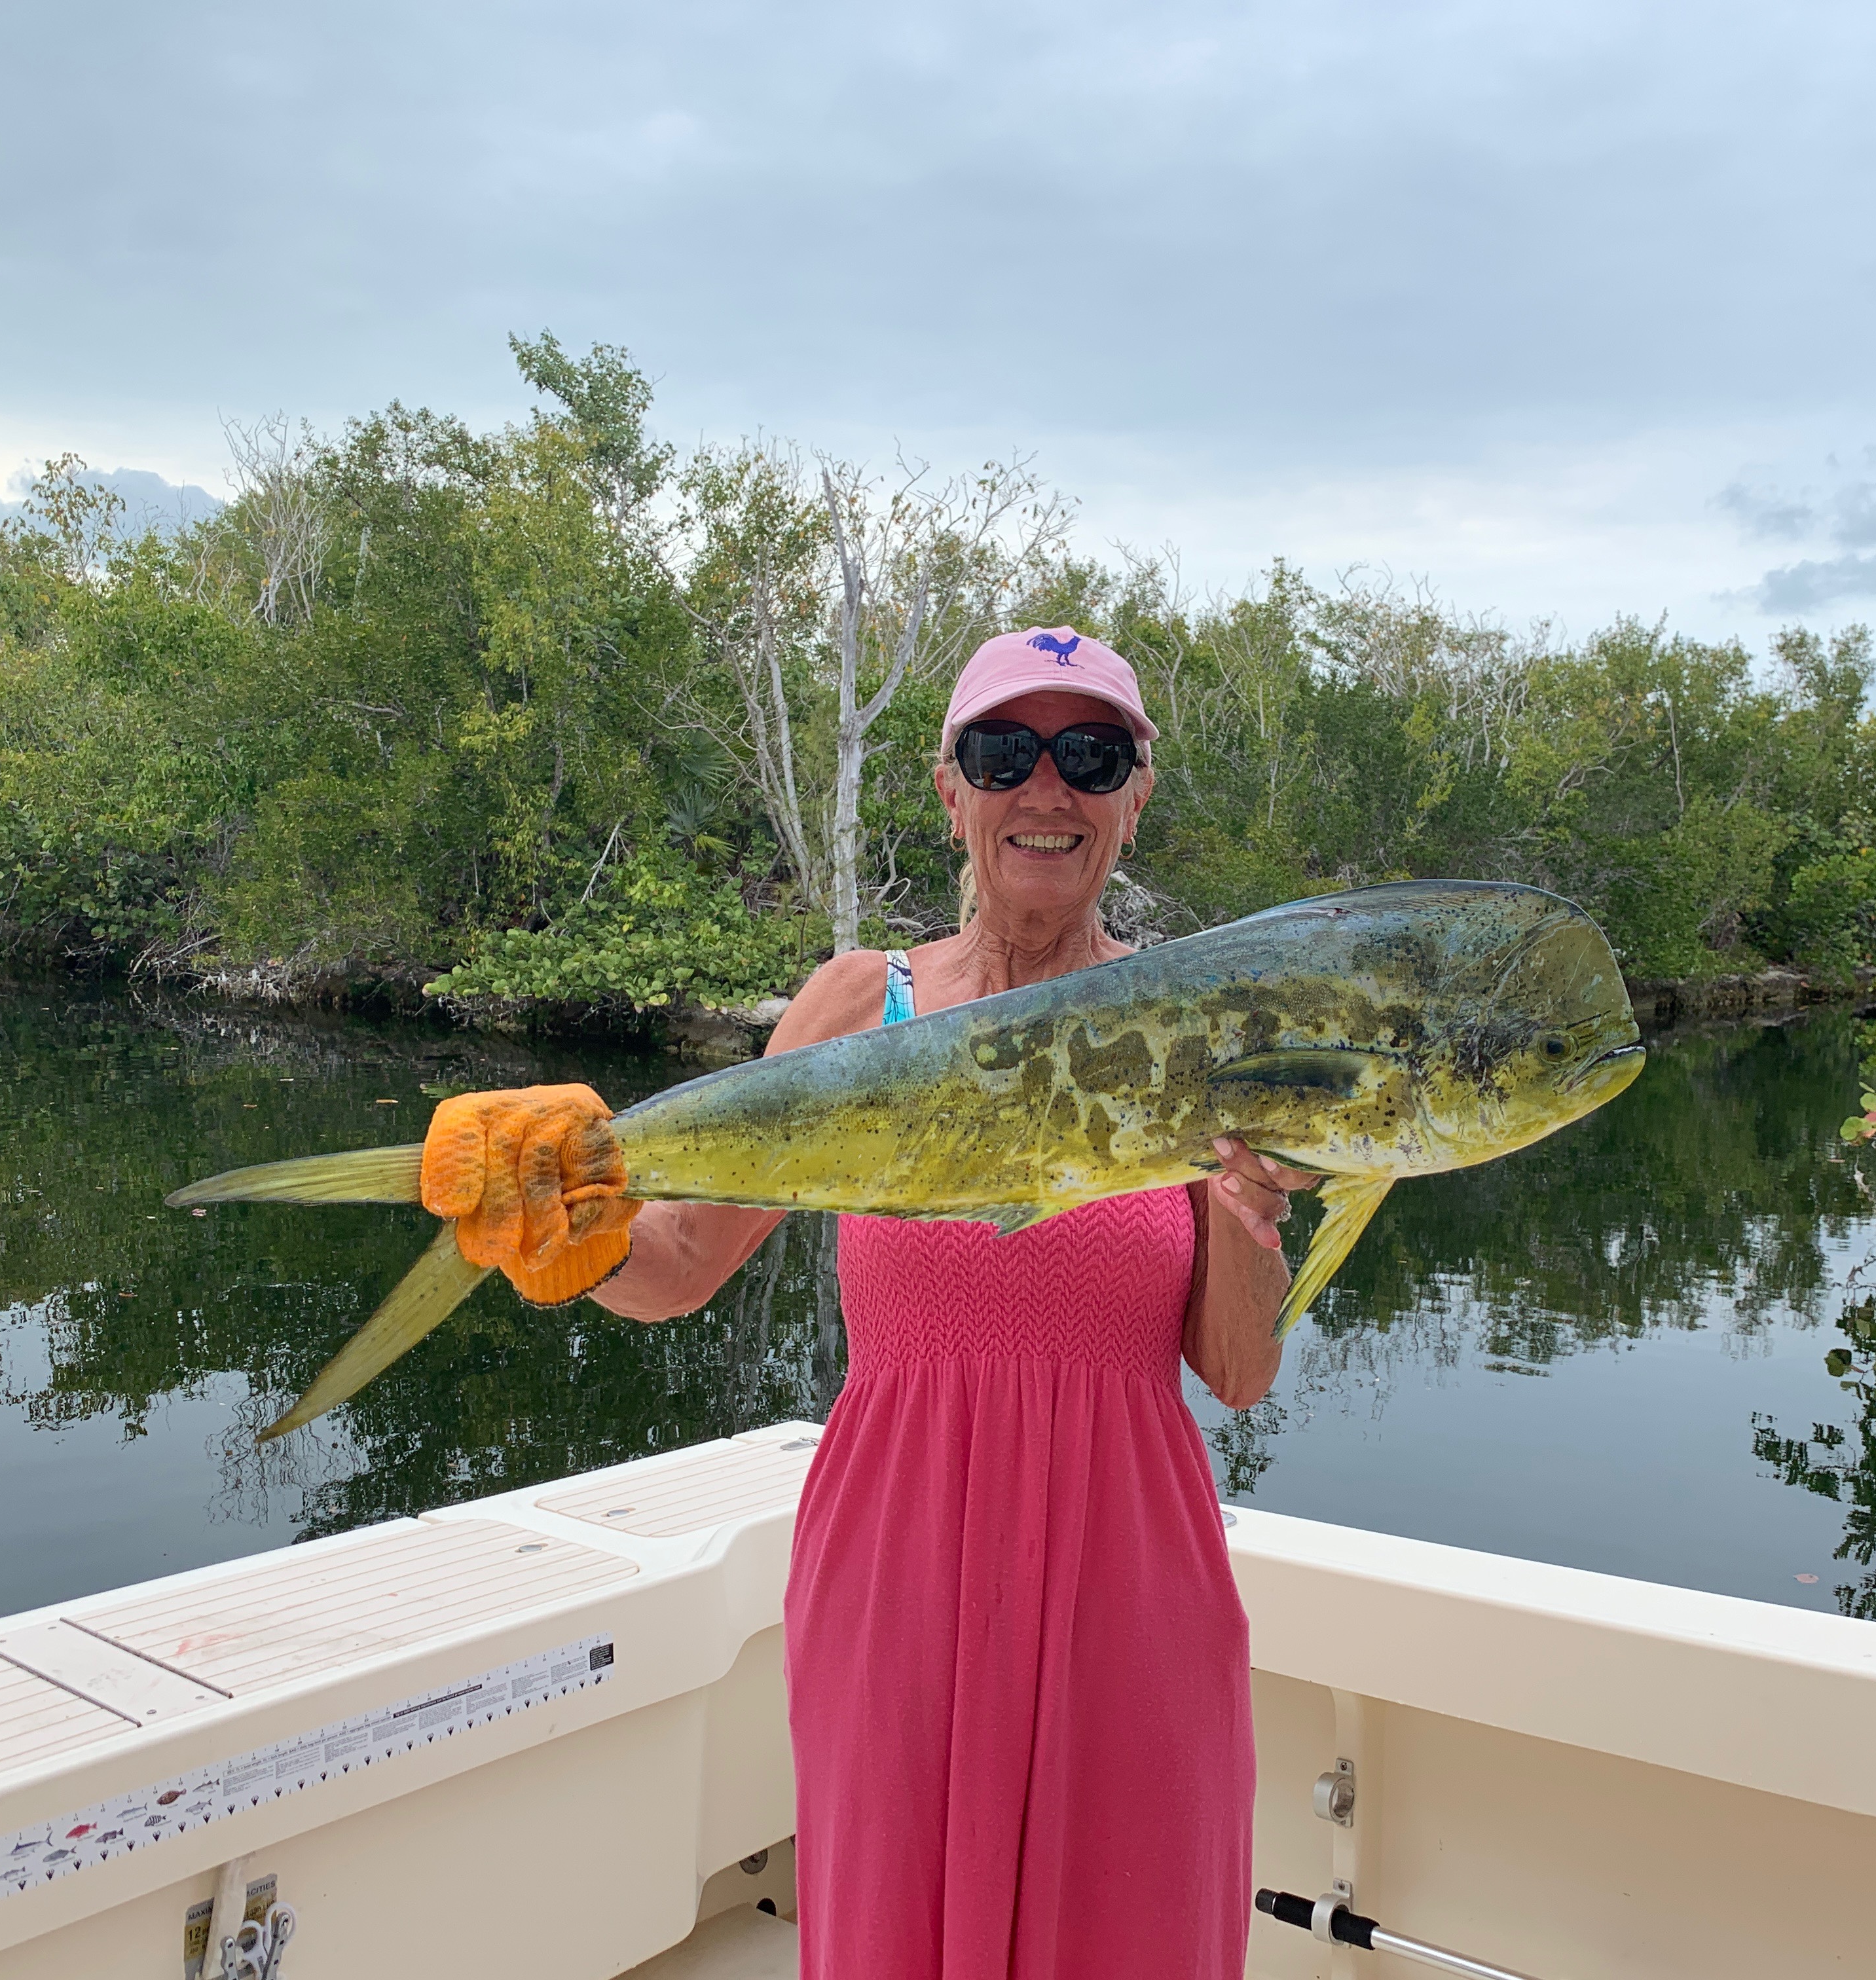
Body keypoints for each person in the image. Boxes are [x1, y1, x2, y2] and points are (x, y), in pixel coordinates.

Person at [496, 628, 1311, 1977]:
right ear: (950, 791)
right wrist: (551, 1230)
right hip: (895, 1574)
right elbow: (682, 1265)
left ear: (1135, 798)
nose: (1046, 788)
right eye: (1003, 753)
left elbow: (1238, 1372)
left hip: (1132, 1585)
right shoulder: (853, 1005)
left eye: (1090, 755)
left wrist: (1248, 1207)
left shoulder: (1200, 1022)